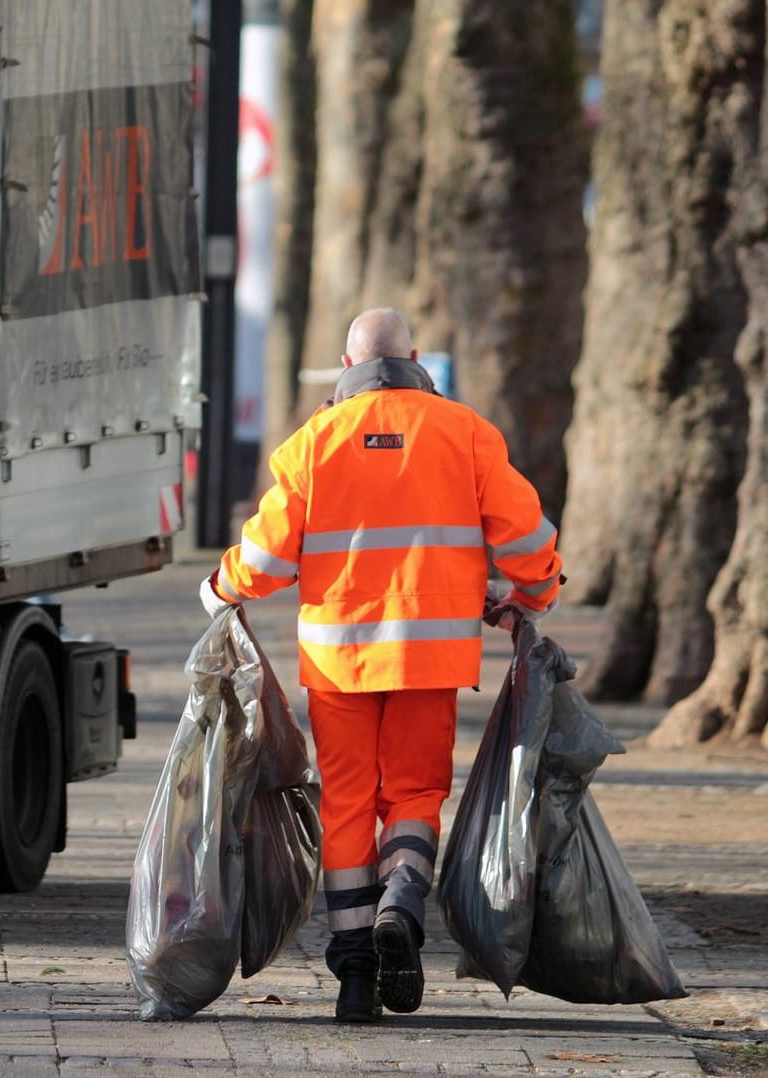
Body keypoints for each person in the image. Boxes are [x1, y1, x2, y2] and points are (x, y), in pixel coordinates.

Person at [200, 307, 562, 1023]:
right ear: (415, 357)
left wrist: (219, 588)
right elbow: (526, 535)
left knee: (346, 801)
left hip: (338, 659)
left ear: (344, 367)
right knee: (415, 792)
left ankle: (355, 971)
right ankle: (401, 899)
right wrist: (532, 592)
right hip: (430, 654)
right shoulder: (465, 433)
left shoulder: (313, 442)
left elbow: (267, 559)